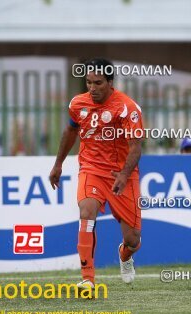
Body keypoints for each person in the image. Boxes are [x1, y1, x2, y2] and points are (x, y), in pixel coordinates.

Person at [49, 58, 144, 289]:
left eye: (98, 83)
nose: (92, 88)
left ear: (110, 83)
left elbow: (135, 146)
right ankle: (87, 279)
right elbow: (71, 131)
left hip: (122, 175)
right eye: (88, 82)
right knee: (86, 212)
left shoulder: (127, 108)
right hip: (91, 169)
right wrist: (58, 163)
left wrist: (123, 174)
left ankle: (125, 255)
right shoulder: (78, 104)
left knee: (133, 239)